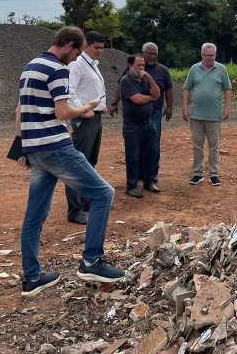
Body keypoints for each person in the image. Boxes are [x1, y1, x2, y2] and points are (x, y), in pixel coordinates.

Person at [16, 26, 123, 297]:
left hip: (35, 150)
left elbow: (19, 110)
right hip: (56, 146)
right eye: (75, 52)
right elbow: (62, 111)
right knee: (103, 194)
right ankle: (92, 261)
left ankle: (32, 277)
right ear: (69, 45)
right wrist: (86, 108)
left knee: (35, 214)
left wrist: (22, 146)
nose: (74, 59)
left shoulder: (30, 66)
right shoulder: (57, 69)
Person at [64, 31, 107, 224]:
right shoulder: (77, 65)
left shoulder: (93, 65)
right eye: (96, 47)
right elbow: (70, 90)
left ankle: (87, 201)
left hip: (95, 117)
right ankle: (75, 209)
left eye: (102, 48)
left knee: (90, 161)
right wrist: (81, 110)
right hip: (85, 118)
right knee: (77, 164)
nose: (100, 51)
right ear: (86, 46)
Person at [182, 43, 232, 186]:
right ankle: (197, 173)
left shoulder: (221, 69)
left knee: (214, 145)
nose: (210, 58)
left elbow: (227, 89)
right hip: (196, 114)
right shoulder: (194, 69)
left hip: (214, 114)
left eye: (212, 55)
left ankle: (213, 174)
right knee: (197, 144)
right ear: (202, 55)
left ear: (215, 55)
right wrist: (185, 107)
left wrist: (228, 107)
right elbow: (186, 88)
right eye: (207, 55)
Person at [116, 54, 161, 198]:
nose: (141, 68)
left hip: (148, 122)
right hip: (132, 125)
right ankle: (132, 185)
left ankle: (150, 181)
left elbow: (157, 94)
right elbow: (137, 99)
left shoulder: (145, 80)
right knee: (133, 155)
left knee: (151, 152)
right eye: (138, 65)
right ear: (130, 66)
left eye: (143, 66)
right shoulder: (126, 81)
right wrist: (151, 98)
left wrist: (150, 79)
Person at [141, 42, 173, 193]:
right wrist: (114, 103)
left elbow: (169, 90)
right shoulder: (135, 68)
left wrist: (170, 107)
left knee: (153, 146)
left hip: (154, 113)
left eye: (154, 53)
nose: (152, 56)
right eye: (149, 53)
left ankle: (152, 178)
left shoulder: (163, 70)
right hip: (136, 113)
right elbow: (122, 85)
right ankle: (137, 176)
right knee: (137, 145)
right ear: (143, 53)